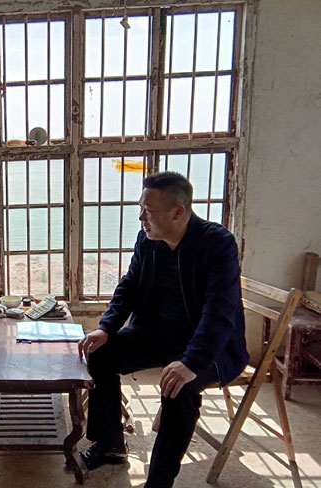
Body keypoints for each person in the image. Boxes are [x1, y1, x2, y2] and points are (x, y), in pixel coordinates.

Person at [77, 172, 249, 488]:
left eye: (149, 210)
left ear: (177, 212)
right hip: (159, 334)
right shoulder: (148, 240)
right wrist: (106, 329)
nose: (141, 217)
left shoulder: (216, 243)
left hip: (212, 346)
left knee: (179, 387)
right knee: (100, 354)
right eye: (141, 208)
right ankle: (110, 444)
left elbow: (219, 314)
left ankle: (158, 481)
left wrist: (190, 363)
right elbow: (129, 286)